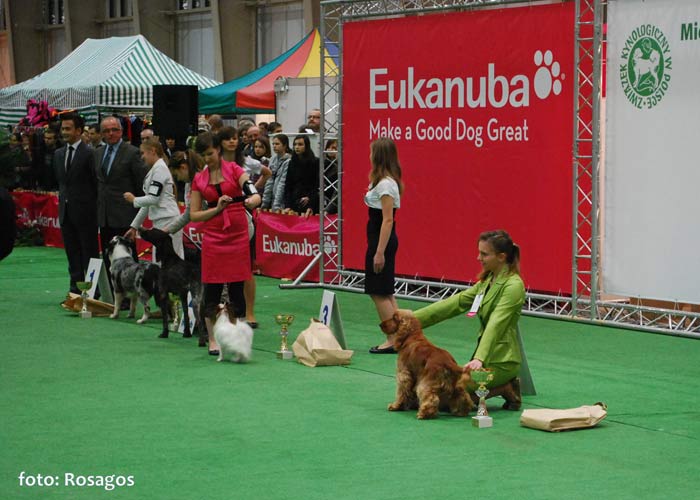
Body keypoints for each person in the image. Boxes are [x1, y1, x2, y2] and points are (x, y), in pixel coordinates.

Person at [411, 230, 525, 409]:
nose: (478, 258)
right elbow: (454, 303)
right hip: (483, 359)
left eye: (484, 254)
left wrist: (480, 358)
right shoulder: (487, 281)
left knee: (443, 399)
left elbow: (496, 324)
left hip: (503, 361)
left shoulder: (514, 286)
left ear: (501, 257)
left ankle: (506, 387)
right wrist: (410, 320)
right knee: (421, 395)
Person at [189, 132, 261, 355]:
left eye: (210, 153)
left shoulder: (235, 169)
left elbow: (252, 191)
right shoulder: (199, 179)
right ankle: (213, 340)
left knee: (237, 286)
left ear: (218, 150)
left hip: (238, 233)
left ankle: (238, 337)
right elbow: (194, 215)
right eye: (203, 155)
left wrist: (253, 199)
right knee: (212, 288)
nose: (207, 159)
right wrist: (217, 209)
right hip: (213, 235)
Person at [52, 112, 99, 295]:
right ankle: (74, 291)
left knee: (89, 253)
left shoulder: (90, 154)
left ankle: (93, 291)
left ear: (79, 131)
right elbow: (61, 182)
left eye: (68, 128)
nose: (64, 132)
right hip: (65, 212)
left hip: (86, 213)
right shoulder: (58, 154)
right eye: (63, 129)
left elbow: (96, 184)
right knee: (72, 253)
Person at [95, 116, 147, 277]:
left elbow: (141, 185)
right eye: (106, 131)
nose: (111, 133)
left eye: (114, 130)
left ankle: (133, 289)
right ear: (101, 133)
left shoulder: (132, 152)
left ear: (121, 131)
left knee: (128, 258)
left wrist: (137, 217)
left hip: (125, 216)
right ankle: (112, 291)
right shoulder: (97, 153)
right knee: (108, 257)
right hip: (104, 216)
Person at [365, 137, 403, 354]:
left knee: (378, 291)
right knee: (386, 291)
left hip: (382, 241)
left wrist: (379, 252)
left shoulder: (386, 184)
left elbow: (387, 220)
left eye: (372, 152)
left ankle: (392, 338)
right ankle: (401, 335)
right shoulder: (381, 182)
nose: (369, 156)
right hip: (377, 238)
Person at [123, 137, 183, 259]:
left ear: (153, 151)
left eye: (143, 153)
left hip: (168, 220)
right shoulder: (155, 169)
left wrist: (134, 199)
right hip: (161, 221)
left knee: (172, 261)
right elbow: (148, 203)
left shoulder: (160, 169)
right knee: (159, 260)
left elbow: (153, 199)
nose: (142, 157)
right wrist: (134, 227)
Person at [283, 135, 319, 216]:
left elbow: (317, 185)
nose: (297, 147)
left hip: (310, 202)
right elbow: (288, 185)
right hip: (294, 202)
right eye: (295, 144)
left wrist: (310, 198)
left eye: (300, 144)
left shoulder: (315, 162)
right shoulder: (292, 162)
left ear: (306, 146)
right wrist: (288, 205)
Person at [261, 134, 291, 212]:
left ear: (285, 145)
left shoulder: (289, 161)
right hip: (272, 198)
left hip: (283, 200)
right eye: (273, 144)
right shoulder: (272, 159)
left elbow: (282, 183)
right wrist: (265, 202)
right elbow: (269, 181)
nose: (274, 146)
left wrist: (276, 205)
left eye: (277, 144)